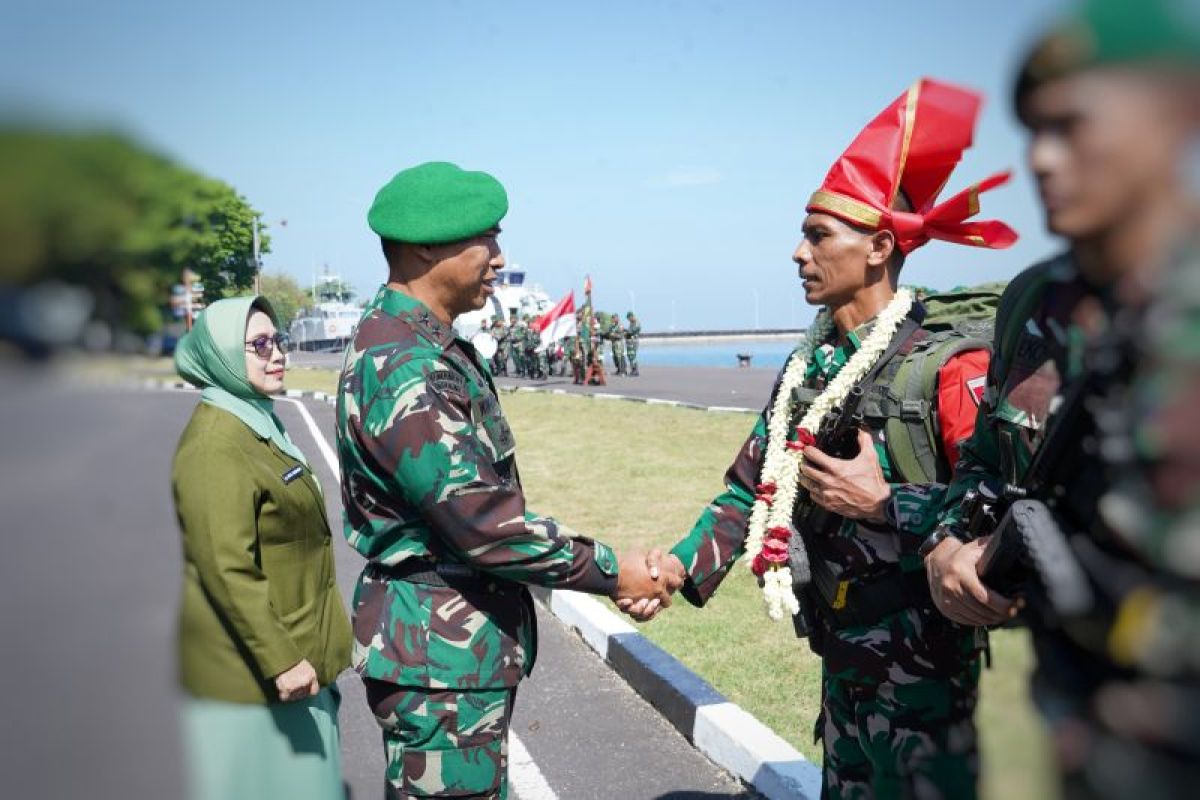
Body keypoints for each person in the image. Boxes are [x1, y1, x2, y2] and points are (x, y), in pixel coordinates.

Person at [630, 79, 1018, 799]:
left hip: (925, 678)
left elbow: (996, 513)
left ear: (878, 247)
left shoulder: (946, 362)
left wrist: (885, 503)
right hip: (842, 662)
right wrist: (678, 568)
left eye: (817, 236)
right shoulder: (813, 362)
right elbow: (752, 485)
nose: (797, 254)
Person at [923, 2, 1200, 797]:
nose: (1042, 159)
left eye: (1074, 125)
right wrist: (949, 545)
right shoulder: (1035, 302)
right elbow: (985, 461)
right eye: (1034, 130)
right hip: (1090, 744)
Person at [336, 161, 675, 799]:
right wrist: (613, 569)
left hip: (446, 653)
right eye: (485, 239)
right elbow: (483, 522)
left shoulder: (422, 344)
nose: (498, 258)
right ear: (426, 248)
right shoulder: (406, 364)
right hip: (439, 660)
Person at [171, 295, 352, 800]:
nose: (278, 354)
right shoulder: (216, 445)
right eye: (258, 345)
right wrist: (282, 661)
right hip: (262, 680)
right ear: (224, 356)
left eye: (279, 340)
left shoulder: (255, 421)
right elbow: (226, 568)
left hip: (296, 661)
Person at [625, 311, 641, 376]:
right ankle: (633, 370)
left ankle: (635, 370)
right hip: (630, 341)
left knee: (632, 356)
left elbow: (632, 331)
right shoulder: (631, 323)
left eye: (629, 318)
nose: (628, 320)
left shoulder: (636, 323)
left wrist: (626, 332)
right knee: (630, 356)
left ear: (631, 316)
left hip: (633, 341)